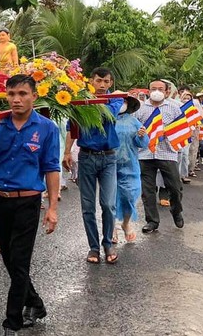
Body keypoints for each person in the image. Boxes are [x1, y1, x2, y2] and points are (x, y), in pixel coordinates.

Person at [0, 74, 59, 335]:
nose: (16, 99)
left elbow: (51, 168)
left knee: (20, 261)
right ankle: (35, 303)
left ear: (34, 96)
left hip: (28, 201)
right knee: (10, 260)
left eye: (22, 94)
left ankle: (12, 323)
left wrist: (53, 208)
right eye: (11, 94)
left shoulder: (46, 128)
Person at [63, 67, 124, 264]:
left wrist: (85, 103)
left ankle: (108, 243)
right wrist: (66, 152)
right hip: (86, 157)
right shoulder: (79, 100)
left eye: (106, 82)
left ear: (111, 83)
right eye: (98, 81)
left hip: (108, 158)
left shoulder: (115, 99)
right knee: (87, 206)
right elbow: (71, 129)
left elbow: (108, 114)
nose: (102, 85)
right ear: (91, 81)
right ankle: (93, 247)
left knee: (108, 203)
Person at [134, 80, 186, 233]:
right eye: (153, 89)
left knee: (175, 187)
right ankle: (152, 221)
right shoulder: (140, 108)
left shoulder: (175, 108)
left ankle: (176, 211)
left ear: (167, 91)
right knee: (147, 190)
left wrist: (168, 133)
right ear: (148, 91)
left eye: (160, 89)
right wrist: (139, 133)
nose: (157, 91)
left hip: (167, 153)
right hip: (145, 153)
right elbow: (134, 128)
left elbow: (182, 128)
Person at [112, 92, 148, 243]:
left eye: (123, 101)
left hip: (130, 165)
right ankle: (111, 227)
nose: (120, 104)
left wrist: (141, 135)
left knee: (130, 194)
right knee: (110, 198)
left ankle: (126, 223)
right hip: (109, 164)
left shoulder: (134, 122)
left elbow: (143, 143)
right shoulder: (106, 120)